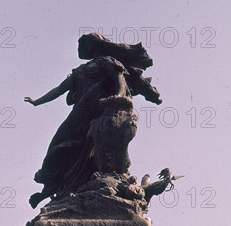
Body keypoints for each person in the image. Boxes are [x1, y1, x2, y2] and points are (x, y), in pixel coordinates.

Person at [25, 33, 162, 209]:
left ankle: (79, 187)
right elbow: (59, 89)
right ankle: (52, 189)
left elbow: (119, 79)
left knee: (91, 153)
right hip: (79, 115)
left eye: (82, 45)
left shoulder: (106, 61)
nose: (79, 49)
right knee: (57, 147)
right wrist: (37, 101)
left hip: (99, 111)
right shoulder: (80, 70)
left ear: (93, 46)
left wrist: (118, 96)